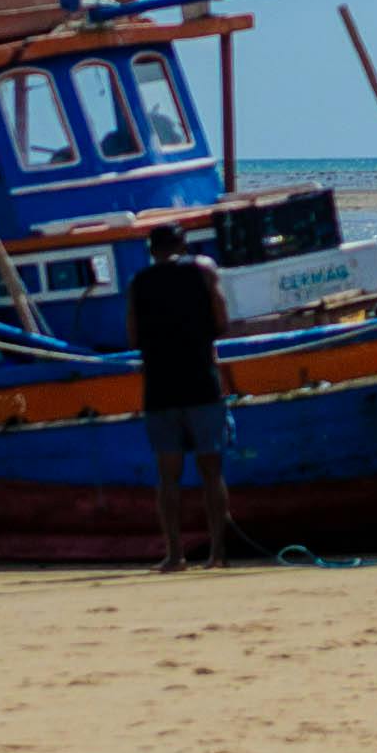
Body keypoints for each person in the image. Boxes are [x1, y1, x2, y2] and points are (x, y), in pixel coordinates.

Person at [126, 222, 233, 570]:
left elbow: (131, 337)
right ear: (182, 244)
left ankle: (175, 554)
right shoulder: (203, 270)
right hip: (202, 381)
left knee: (168, 475)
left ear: (152, 249)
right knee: (211, 470)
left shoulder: (139, 282)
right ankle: (217, 553)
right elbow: (221, 319)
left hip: (160, 386)